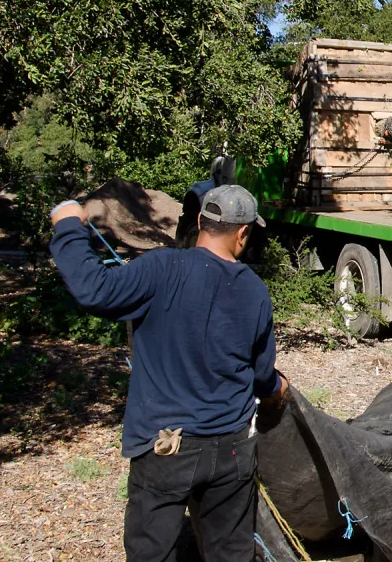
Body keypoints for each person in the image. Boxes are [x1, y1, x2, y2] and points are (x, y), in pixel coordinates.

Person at [49, 184, 289, 562]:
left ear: (199, 221)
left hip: (166, 448)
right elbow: (262, 376)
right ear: (243, 232)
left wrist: (68, 227)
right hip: (231, 449)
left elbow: (95, 290)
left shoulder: (162, 267)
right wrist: (280, 389)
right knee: (231, 553)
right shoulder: (254, 290)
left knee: (152, 553)